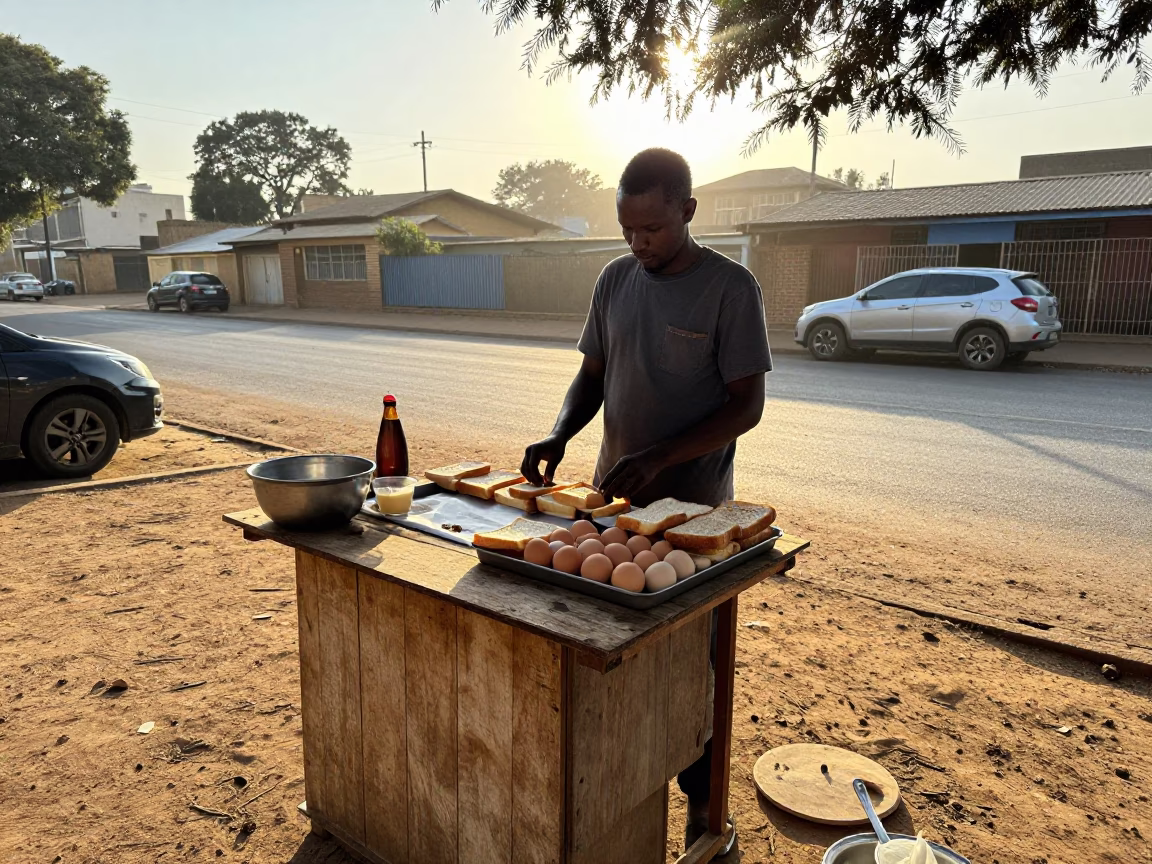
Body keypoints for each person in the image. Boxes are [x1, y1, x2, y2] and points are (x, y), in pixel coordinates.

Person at [521, 147, 772, 857]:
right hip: (614, 506)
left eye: (653, 230)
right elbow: (592, 375)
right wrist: (561, 432)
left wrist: (662, 456)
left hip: (693, 521)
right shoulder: (615, 279)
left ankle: (703, 808)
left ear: (687, 211)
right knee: (615, 661)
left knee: (693, 671)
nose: (639, 244)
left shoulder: (730, 289)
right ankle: (617, 798)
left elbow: (746, 406)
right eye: (628, 230)